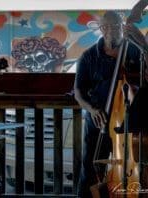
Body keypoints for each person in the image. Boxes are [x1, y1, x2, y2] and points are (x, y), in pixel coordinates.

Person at [74, 11, 148, 197]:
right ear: (100, 28)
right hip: (97, 122)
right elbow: (78, 92)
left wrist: (144, 45)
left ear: (122, 28)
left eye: (115, 26)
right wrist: (92, 109)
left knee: (126, 170)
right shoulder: (89, 56)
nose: (111, 30)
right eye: (106, 26)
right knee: (90, 169)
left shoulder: (133, 51)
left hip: (127, 125)